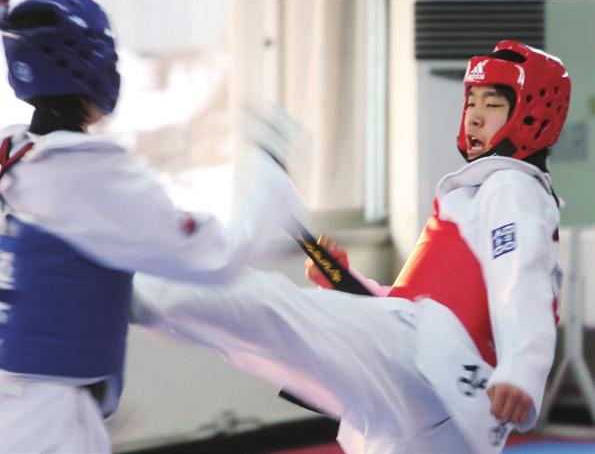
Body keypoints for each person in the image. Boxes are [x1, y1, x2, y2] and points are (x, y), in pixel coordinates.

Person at [132, 40, 570, 453]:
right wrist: (347, 282)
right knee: (265, 318)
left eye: (492, 105)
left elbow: (522, 278)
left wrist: (522, 369)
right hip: (442, 400)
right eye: (471, 102)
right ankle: (145, 291)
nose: (474, 117)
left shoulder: (511, 185)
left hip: (432, 363)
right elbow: (414, 308)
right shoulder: (491, 195)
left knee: (267, 308)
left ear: (533, 115)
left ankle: (137, 285)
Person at [0, 0, 306, 453]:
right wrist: (271, 171)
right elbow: (214, 255)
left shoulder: (16, 156)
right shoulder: (86, 173)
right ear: (94, 63)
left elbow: (51, 263)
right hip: (45, 415)